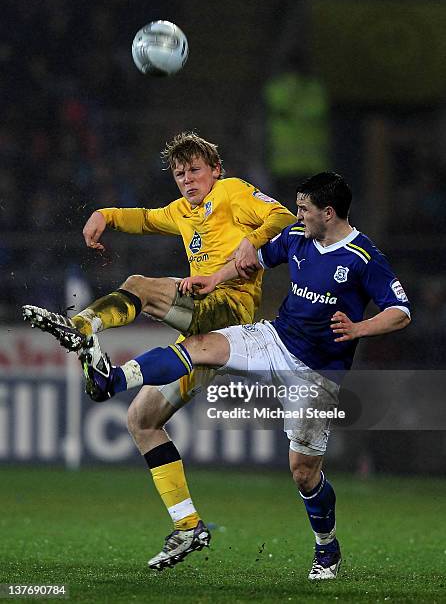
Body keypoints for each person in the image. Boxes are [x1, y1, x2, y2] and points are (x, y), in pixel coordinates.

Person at [79, 172, 411, 579]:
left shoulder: (364, 258)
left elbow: (401, 312)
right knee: (201, 345)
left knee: (304, 473)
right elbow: (252, 260)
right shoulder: (297, 238)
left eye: (304, 208)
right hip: (275, 338)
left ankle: (327, 548)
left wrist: (360, 328)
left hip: (317, 373)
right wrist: (214, 279)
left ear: (329, 212)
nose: (298, 214)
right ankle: (111, 380)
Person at [22, 131, 296, 571]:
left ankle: (81, 326)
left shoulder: (231, 192)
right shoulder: (182, 212)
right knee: (141, 420)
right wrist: (105, 214)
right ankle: (188, 526)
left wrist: (252, 242)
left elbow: (283, 217)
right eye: (180, 173)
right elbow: (146, 219)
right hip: (209, 337)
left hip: (228, 309)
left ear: (215, 171)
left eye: (195, 170)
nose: (188, 180)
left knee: (136, 286)